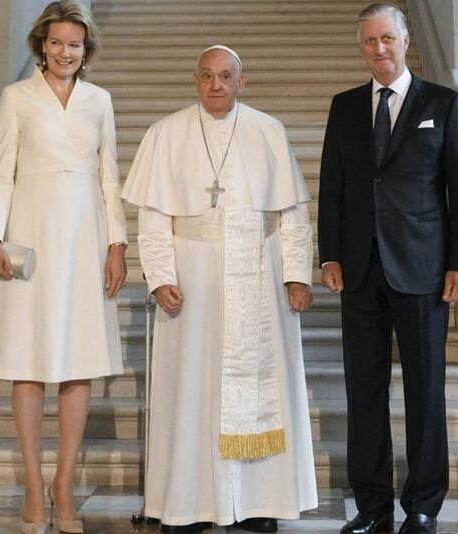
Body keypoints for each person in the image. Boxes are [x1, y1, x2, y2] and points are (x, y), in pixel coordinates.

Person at [121, 45, 318, 534]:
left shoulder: (269, 131)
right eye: (207, 76)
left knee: (259, 388)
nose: (216, 85)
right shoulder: (165, 134)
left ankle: (257, 502)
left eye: (226, 76)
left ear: (241, 82)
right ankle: (186, 505)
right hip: (193, 278)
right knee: (189, 390)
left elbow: (292, 214)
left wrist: (297, 273)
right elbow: (152, 219)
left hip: (257, 272)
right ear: (195, 80)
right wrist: (162, 275)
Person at [318, 4, 458, 534]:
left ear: (406, 39)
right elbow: (333, 186)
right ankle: (372, 507)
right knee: (364, 391)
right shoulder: (343, 108)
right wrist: (330, 253)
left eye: (387, 38)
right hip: (360, 271)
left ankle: (425, 505)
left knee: (425, 392)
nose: (378, 49)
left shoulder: (443, 103)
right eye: (368, 42)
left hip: (425, 270)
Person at [0, 2, 127, 533]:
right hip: (31, 234)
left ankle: (63, 483)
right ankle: (32, 482)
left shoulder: (99, 100)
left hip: (86, 237)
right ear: (42, 44)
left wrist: (117, 243)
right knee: (27, 359)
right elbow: (1, 173)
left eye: (77, 44)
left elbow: (110, 177)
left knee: (79, 359)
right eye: (59, 42)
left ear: (87, 51)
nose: (67, 52)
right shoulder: (16, 97)